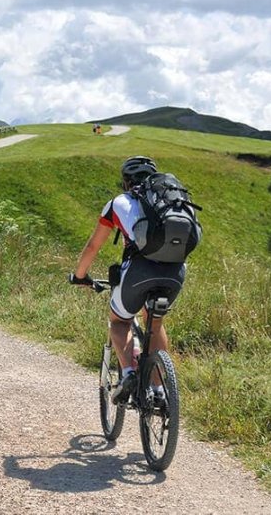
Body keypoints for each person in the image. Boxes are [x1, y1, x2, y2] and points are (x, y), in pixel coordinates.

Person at [69, 156, 187, 406]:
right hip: (176, 272)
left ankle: (129, 375)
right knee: (155, 320)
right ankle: (159, 389)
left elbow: (93, 246)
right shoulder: (171, 200)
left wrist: (80, 276)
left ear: (126, 182)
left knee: (119, 321)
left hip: (139, 271)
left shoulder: (117, 204)